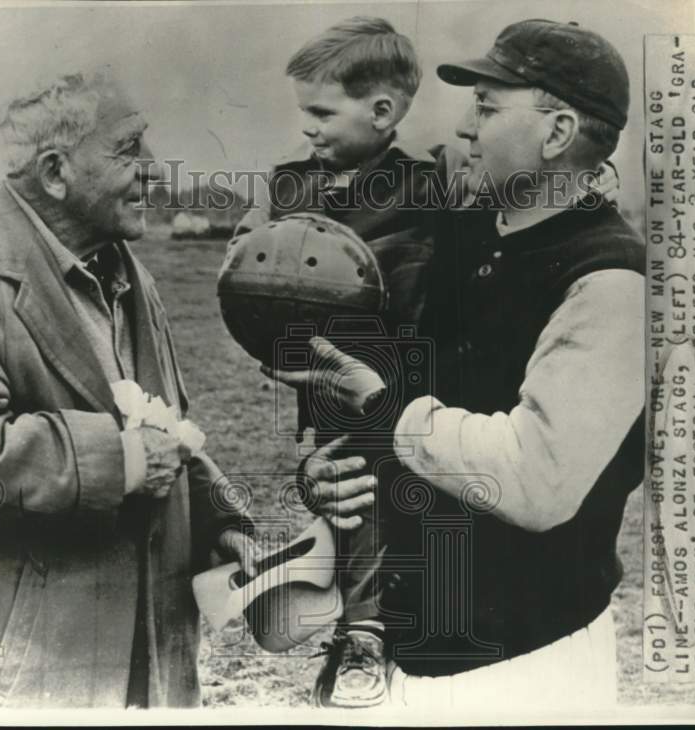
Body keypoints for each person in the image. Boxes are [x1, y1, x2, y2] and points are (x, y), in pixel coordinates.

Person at [269, 19, 645, 714]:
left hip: (527, 669)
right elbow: (400, 411)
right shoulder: (464, 236)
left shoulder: (610, 282)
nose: (464, 129)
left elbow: (535, 481)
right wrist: (327, 476)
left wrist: (382, 411)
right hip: (414, 659)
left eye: (488, 106)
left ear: (558, 133)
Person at [0, 68, 257, 710]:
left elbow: (164, 429)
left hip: (145, 652)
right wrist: (126, 459)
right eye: (128, 150)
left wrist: (219, 521)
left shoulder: (126, 270)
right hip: (29, 669)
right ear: (56, 172)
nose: (151, 169)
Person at [234, 16, 450, 709]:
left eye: (322, 112)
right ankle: (360, 631)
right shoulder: (285, 185)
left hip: (411, 380)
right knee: (358, 492)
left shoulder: (430, 190)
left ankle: (360, 608)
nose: (310, 129)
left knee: (410, 502)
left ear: (383, 111)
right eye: (306, 114)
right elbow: (243, 264)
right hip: (330, 385)